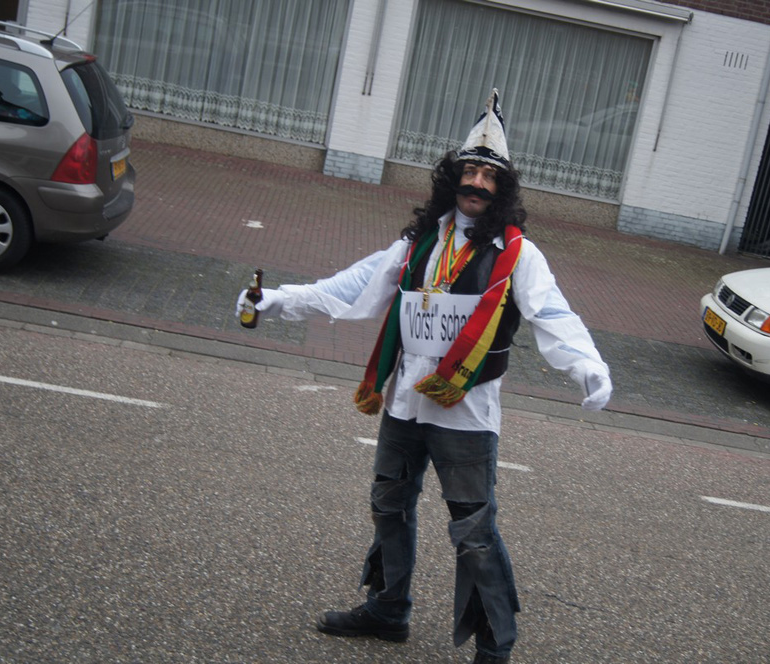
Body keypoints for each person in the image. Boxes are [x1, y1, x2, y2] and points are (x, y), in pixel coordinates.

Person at [236, 89, 612, 664]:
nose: (478, 182)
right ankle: (388, 610)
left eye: (490, 175)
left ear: (503, 188)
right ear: (452, 177)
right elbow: (353, 285)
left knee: (474, 528)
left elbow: (554, 315)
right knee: (389, 504)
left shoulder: (519, 255)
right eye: (471, 170)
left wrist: (588, 366)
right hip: (404, 403)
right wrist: (278, 300)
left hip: (466, 411)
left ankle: (494, 646)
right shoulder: (420, 241)